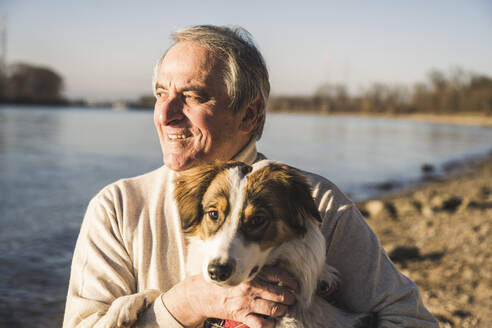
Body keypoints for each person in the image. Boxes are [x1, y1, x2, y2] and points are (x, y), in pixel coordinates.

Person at [63, 25, 438, 327]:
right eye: (162, 93)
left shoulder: (315, 201)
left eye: (193, 96)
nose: (165, 114)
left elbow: (410, 320)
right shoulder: (116, 207)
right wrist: (183, 304)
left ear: (249, 114)